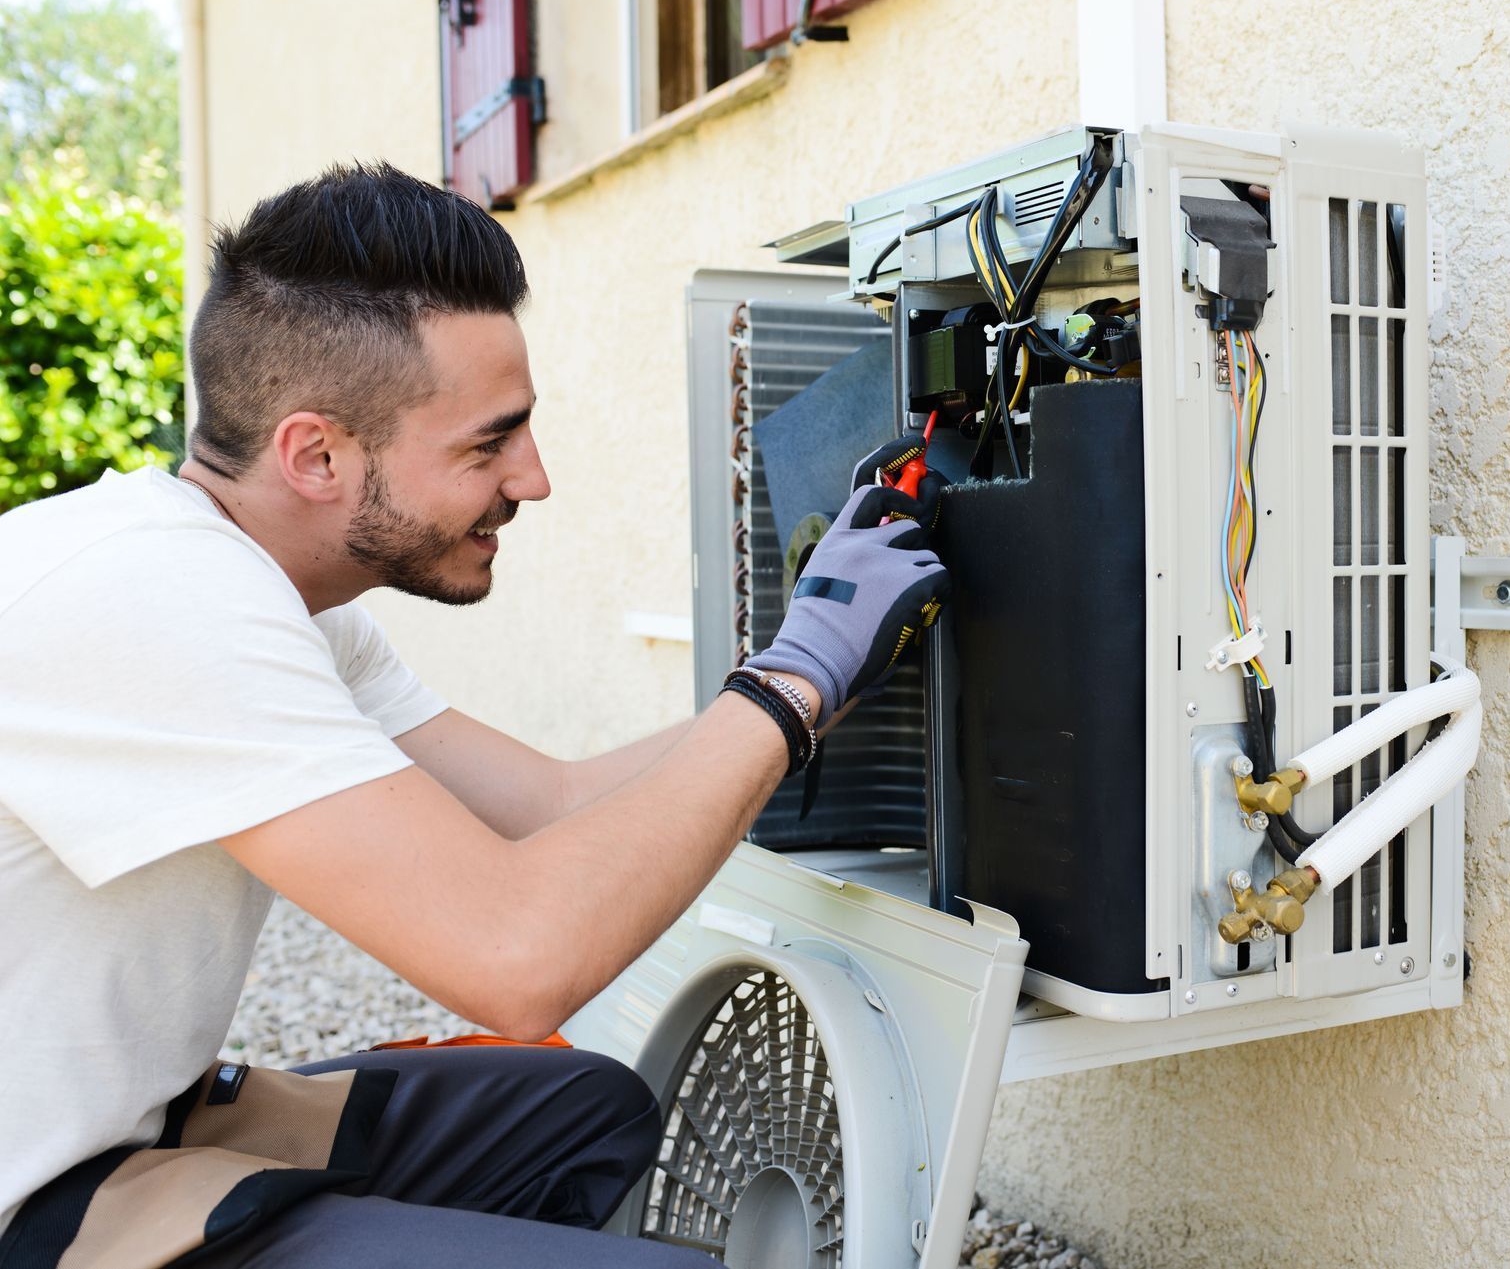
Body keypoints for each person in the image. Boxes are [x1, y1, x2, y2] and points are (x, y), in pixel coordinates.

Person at [0, 163, 947, 1266]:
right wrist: (790, 685)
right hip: (38, 1208)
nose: (533, 480)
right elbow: (516, 960)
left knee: (583, 1115)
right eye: (489, 443)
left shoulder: (265, 591)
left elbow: (549, 806)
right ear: (317, 455)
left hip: (123, 1135)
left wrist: (827, 674)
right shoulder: (155, 601)